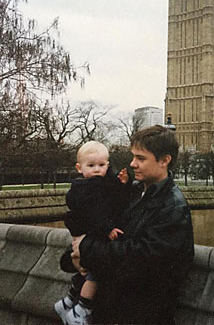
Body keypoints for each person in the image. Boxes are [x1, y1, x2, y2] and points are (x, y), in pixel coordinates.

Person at [68, 125, 194, 325]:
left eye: (140, 158)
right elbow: (97, 226)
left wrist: (85, 249)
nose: (132, 164)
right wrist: (74, 255)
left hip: (139, 315)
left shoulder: (173, 208)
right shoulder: (133, 192)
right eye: (133, 156)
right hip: (113, 309)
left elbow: (139, 260)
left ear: (164, 161)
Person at [54, 141, 130, 325]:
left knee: (87, 272)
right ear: (79, 168)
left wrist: (122, 182)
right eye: (91, 166)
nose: (97, 170)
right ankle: (82, 309)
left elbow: (114, 198)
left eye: (102, 165)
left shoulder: (102, 183)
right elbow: (94, 213)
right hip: (96, 235)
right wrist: (107, 228)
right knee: (94, 274)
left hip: (92, 238)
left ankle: (69, 301)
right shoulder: (84, 189)